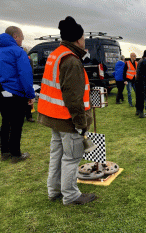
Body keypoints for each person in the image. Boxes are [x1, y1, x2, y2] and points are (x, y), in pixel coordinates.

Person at [37, 16, 96, 205]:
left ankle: (54, 190)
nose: (84, 40)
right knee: (72, 158)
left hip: (54, 117)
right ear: (78, 39)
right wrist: (81, 124)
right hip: (68, 120)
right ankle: (71, 195)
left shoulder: (57, 54)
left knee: (57, 156)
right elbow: (73, 97)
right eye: (83, 37)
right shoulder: (71, 60)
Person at [0, 26, 35, 163]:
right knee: (16, 124)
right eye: (21, 38)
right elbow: (25, 75)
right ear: (15, 36)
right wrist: (30, 94)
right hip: (16, 93)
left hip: (2, 93)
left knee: (5, 122)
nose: (22, 41)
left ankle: (4, 152)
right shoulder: (18, 52)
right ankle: (16, 154)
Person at [135, 49, 146, 118]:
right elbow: (142, 73)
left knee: (138, 97)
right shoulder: (143, 61)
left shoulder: (140, 60)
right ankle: (141, 113)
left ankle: (138, 110)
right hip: (141, 82)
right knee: (141, 98)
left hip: (138, 81)